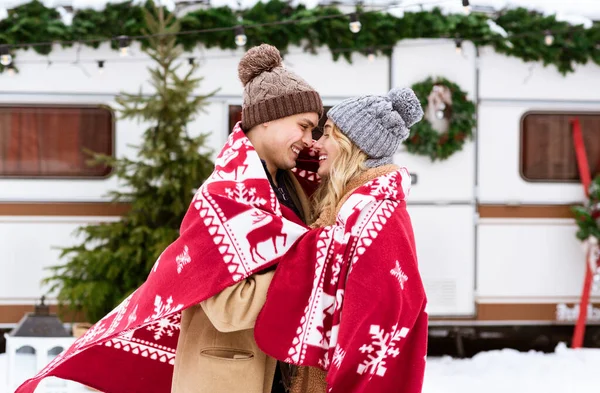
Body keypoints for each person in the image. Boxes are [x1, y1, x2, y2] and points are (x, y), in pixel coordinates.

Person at [254, 87, 429, 393]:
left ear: (352, 146)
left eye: (328, 133)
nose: (316, 143)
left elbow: (384, 311)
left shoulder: (376, 212)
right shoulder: (352, 205)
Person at [171, 43, 323, 393]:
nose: (309, 140)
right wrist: (312, 268)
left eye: (314, 130)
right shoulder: (221, 197)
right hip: (229, 380)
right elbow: (228, 308)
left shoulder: (291, 187)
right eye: (303, 125)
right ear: (267, 117)